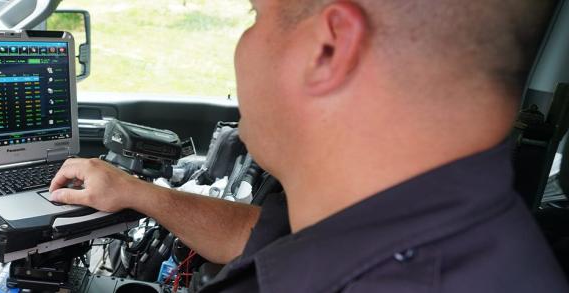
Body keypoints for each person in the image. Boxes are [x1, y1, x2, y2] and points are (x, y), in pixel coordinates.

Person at [48, 0, 569, 291]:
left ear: (328, 49)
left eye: (255, 16)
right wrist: (140, 193)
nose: (243, 46)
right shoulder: (433, 221)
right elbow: (270, 238)